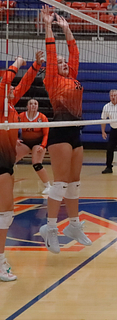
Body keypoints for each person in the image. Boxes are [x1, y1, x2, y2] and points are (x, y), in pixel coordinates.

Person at [39, 6, 92, 254]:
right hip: (59, 132)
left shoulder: (73, 77)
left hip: (75, 131)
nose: (62, 63)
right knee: (60, 183)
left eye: (64, 62)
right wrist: (48, 26)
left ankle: (73, 225)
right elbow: (51, 54)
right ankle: (50, 228)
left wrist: (67, 28)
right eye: (59, 62)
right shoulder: (52, 79)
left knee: (74, 184)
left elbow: (74, 52)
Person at [1, 56, 42, 281]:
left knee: (6, 213)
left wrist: (35, 66)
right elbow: (6, 81)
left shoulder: (8, 105)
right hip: (1, 164)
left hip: (6, 162)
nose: (12, 91)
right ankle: (0, 262)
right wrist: (17, 62)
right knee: (5, 213)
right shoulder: (1, 101)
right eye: (8, 89)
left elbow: (22, 85)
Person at [16, 96, 52, 195]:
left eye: (35, 104)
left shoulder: (42, 117)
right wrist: (16, 139)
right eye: (31, 104)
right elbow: (14, 129)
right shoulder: (21, 116)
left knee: (37, 164)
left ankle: (48, 186)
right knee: (9, 161)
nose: (33, 105)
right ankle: (5, 183)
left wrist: (43, 146)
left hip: (38, 143)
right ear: (27, 106)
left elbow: (46, 134)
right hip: (25, 142)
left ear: (38, 106)